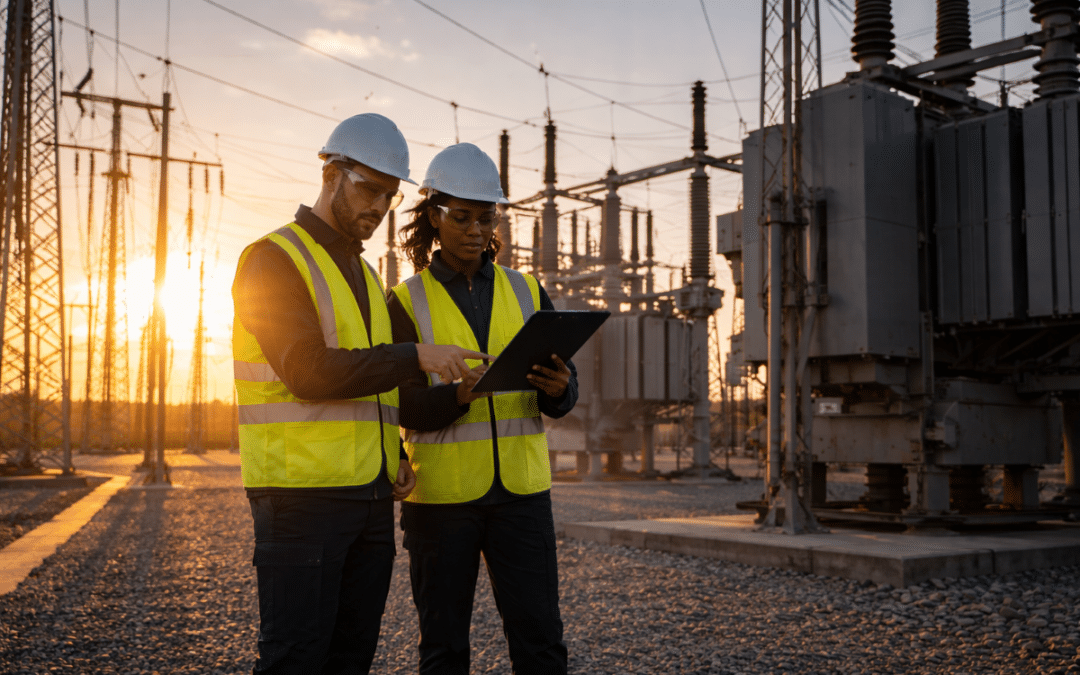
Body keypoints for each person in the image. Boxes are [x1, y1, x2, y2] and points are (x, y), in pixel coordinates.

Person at [232, 114, 491, 675]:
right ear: (330, 173)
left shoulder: (367, 276)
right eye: (368, 188)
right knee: (295, 659)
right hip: (300, 498)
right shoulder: (272, 259)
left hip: (368, 497)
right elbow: (309, 373)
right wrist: (415, 356)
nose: (378, 206)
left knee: (350, 659)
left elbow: (369, 386)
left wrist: (393, 453)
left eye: (389, 195)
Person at [388, 142, 577, 675]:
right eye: (462, 217)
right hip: (441, 499)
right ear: (433, 217)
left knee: (541, 641)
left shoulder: (528, 291)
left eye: (485, 217)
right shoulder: (405, 303)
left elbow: (562, 395)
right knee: (444, 648)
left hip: (522, 495)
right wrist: (458, 396)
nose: (476, 229)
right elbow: (402, 408)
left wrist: (560, 388)